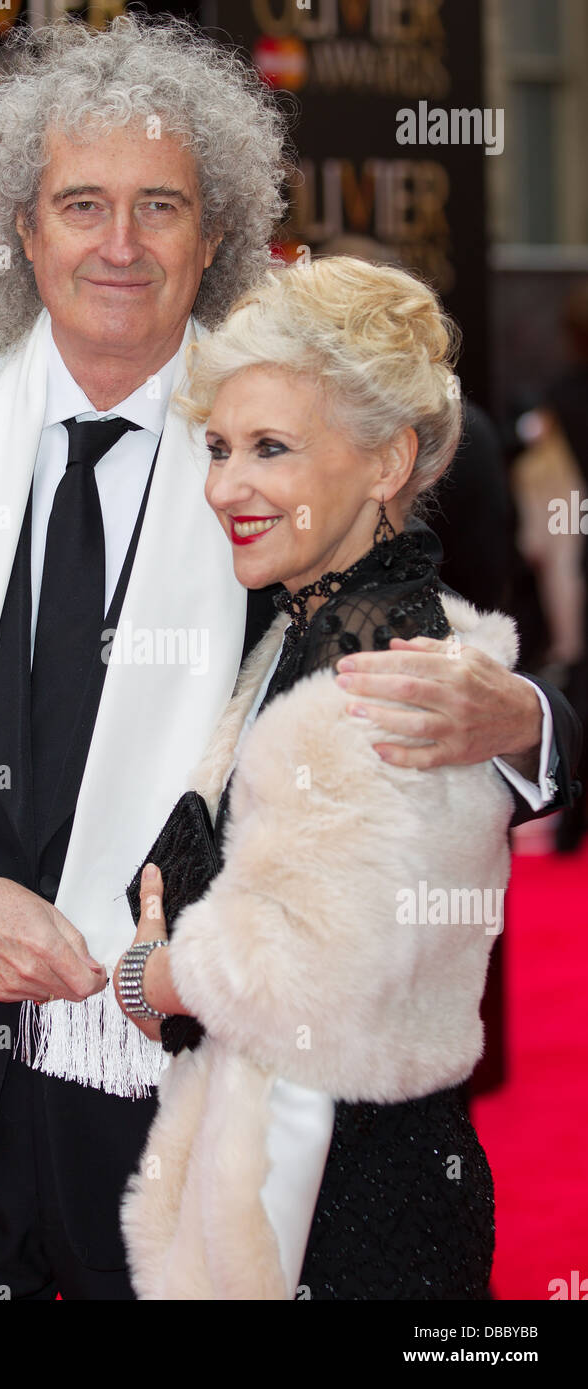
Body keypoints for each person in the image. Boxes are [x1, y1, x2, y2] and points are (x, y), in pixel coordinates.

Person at [0, 17, 580, 1301]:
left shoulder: (285, 438)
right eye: (81, 203)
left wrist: (521, 718)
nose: (117, 245)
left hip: (178, 1153)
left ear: (212, 234)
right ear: (24, 228)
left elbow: (425, 646)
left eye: (158, 205)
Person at [117, 256, 530, 1299]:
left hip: (346, 1207)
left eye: (269, 449)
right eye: (215, 447)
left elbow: (301, 972)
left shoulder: (386, 678)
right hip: (303, 1172)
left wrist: (150, 975)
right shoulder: (299, 640)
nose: (224, 486)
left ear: (387, 459)